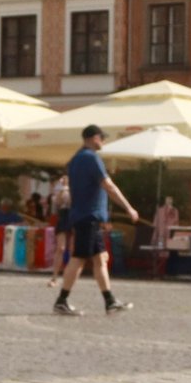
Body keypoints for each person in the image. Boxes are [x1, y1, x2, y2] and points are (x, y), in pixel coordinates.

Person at [55, 126, 138, 317]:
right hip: (89, 216)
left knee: (100, 259)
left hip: (85, 216)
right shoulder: (91, 158)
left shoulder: (75, 159)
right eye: (102, 138)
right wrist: (128, 207)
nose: (104, 141)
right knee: (78, 259)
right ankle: (62, 300)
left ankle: (110, 301)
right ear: (93, 138)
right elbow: (108, 185)